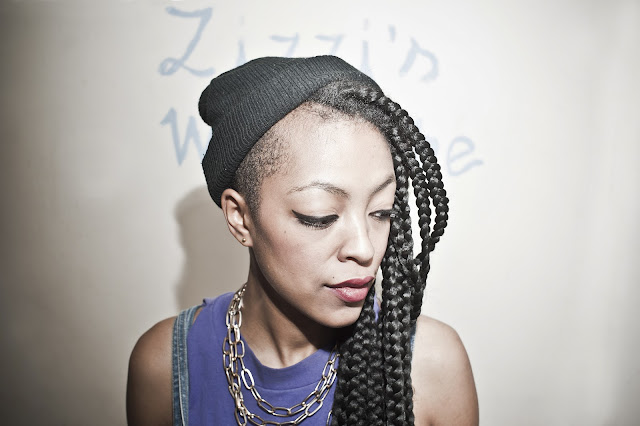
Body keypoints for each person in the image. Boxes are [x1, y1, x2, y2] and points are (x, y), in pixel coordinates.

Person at [127, 55, 478, 426]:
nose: (365, 249)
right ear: (240, 217)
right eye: (320, 216)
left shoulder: (430, 364)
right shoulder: (164, 365)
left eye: (381, 212)